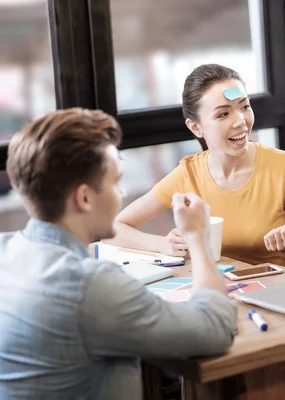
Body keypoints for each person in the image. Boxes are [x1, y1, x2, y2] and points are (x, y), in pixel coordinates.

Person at [0, 108, 237, 399]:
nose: (122, 193)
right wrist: (198, 238)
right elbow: (215, 329)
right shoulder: (90, 285)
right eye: (115, 182)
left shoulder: (6, 251)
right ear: (85, 197)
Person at [111, 64, 285, 272]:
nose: (240, 121)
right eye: (223, 114)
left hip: (282, 292)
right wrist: (162, 244)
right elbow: (116, 228)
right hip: (223, 292)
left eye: (244, 106)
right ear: (196, 127)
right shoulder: (188, 174)